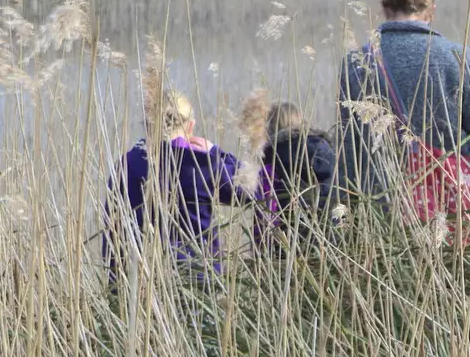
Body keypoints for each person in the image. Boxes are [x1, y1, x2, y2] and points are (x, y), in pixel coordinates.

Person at [338, 0, 470, 231]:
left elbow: (350, 145)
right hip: (453, 205)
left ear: (384, 9)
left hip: (382, 204)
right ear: (431, 10)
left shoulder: (356, 63)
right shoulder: (455, 56)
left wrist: (344, 210)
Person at [105, 87, 247, 280]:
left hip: (138, 290)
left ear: (148, 126)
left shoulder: (125, 165)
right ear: (190, 128)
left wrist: (115, 286)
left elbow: (113, 230)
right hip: (198, 286)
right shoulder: (200, 164)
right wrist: (216, 152)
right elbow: (255, 189)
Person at [252, 101, 343, 252]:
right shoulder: (327, 153)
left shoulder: (272, 163)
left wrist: (261, 254)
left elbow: (265, 215)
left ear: (270, 128)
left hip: (288, 252)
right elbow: (341, 197)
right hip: (332, 246)